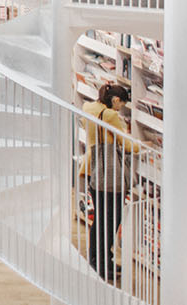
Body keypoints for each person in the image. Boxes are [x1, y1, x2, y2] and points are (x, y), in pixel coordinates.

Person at [81, 82, 135, 281]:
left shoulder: (89, 108)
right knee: (112, 219)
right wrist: (140, 146)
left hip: (94, 167)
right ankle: (104, 262)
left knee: (100, 219)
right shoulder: (110, 115)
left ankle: (97, 259)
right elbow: (126, 144)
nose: (121, 108)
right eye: (122, 104)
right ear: (115, 100)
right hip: (110, 172)